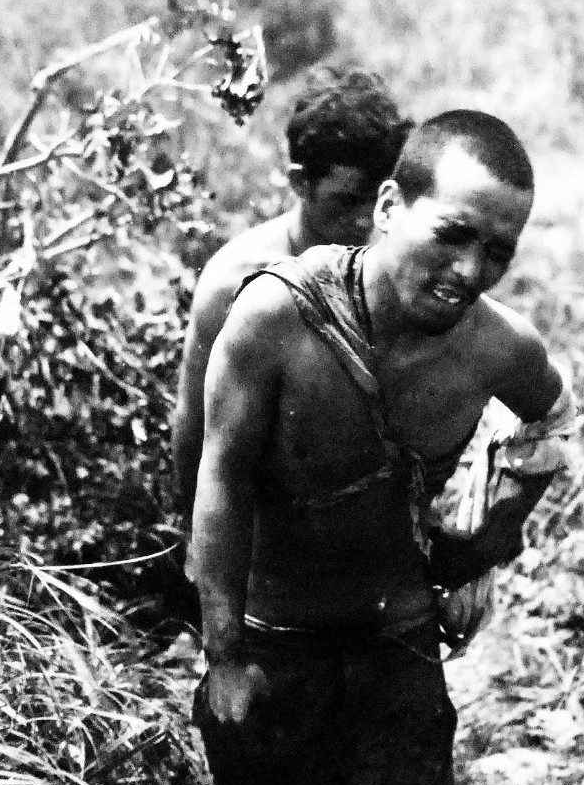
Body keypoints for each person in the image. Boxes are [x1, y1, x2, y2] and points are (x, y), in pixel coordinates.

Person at [190, 109, 574, 785]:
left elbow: (554, 422)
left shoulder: (498, 347)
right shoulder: (276, 314)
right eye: (453, 235)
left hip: (393, 624)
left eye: (496, 251)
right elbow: (220, 479)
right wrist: (222, 652)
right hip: (275, 619)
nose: (470, 271)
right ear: (391, 205)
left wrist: (488, 533)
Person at [172, 65, 411, 519]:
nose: (365, 222)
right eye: (345, 201)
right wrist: (200, 553)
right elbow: (194, 432)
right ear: (300, 183)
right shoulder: (234, 281)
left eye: (378, 202)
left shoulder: (399, 267)